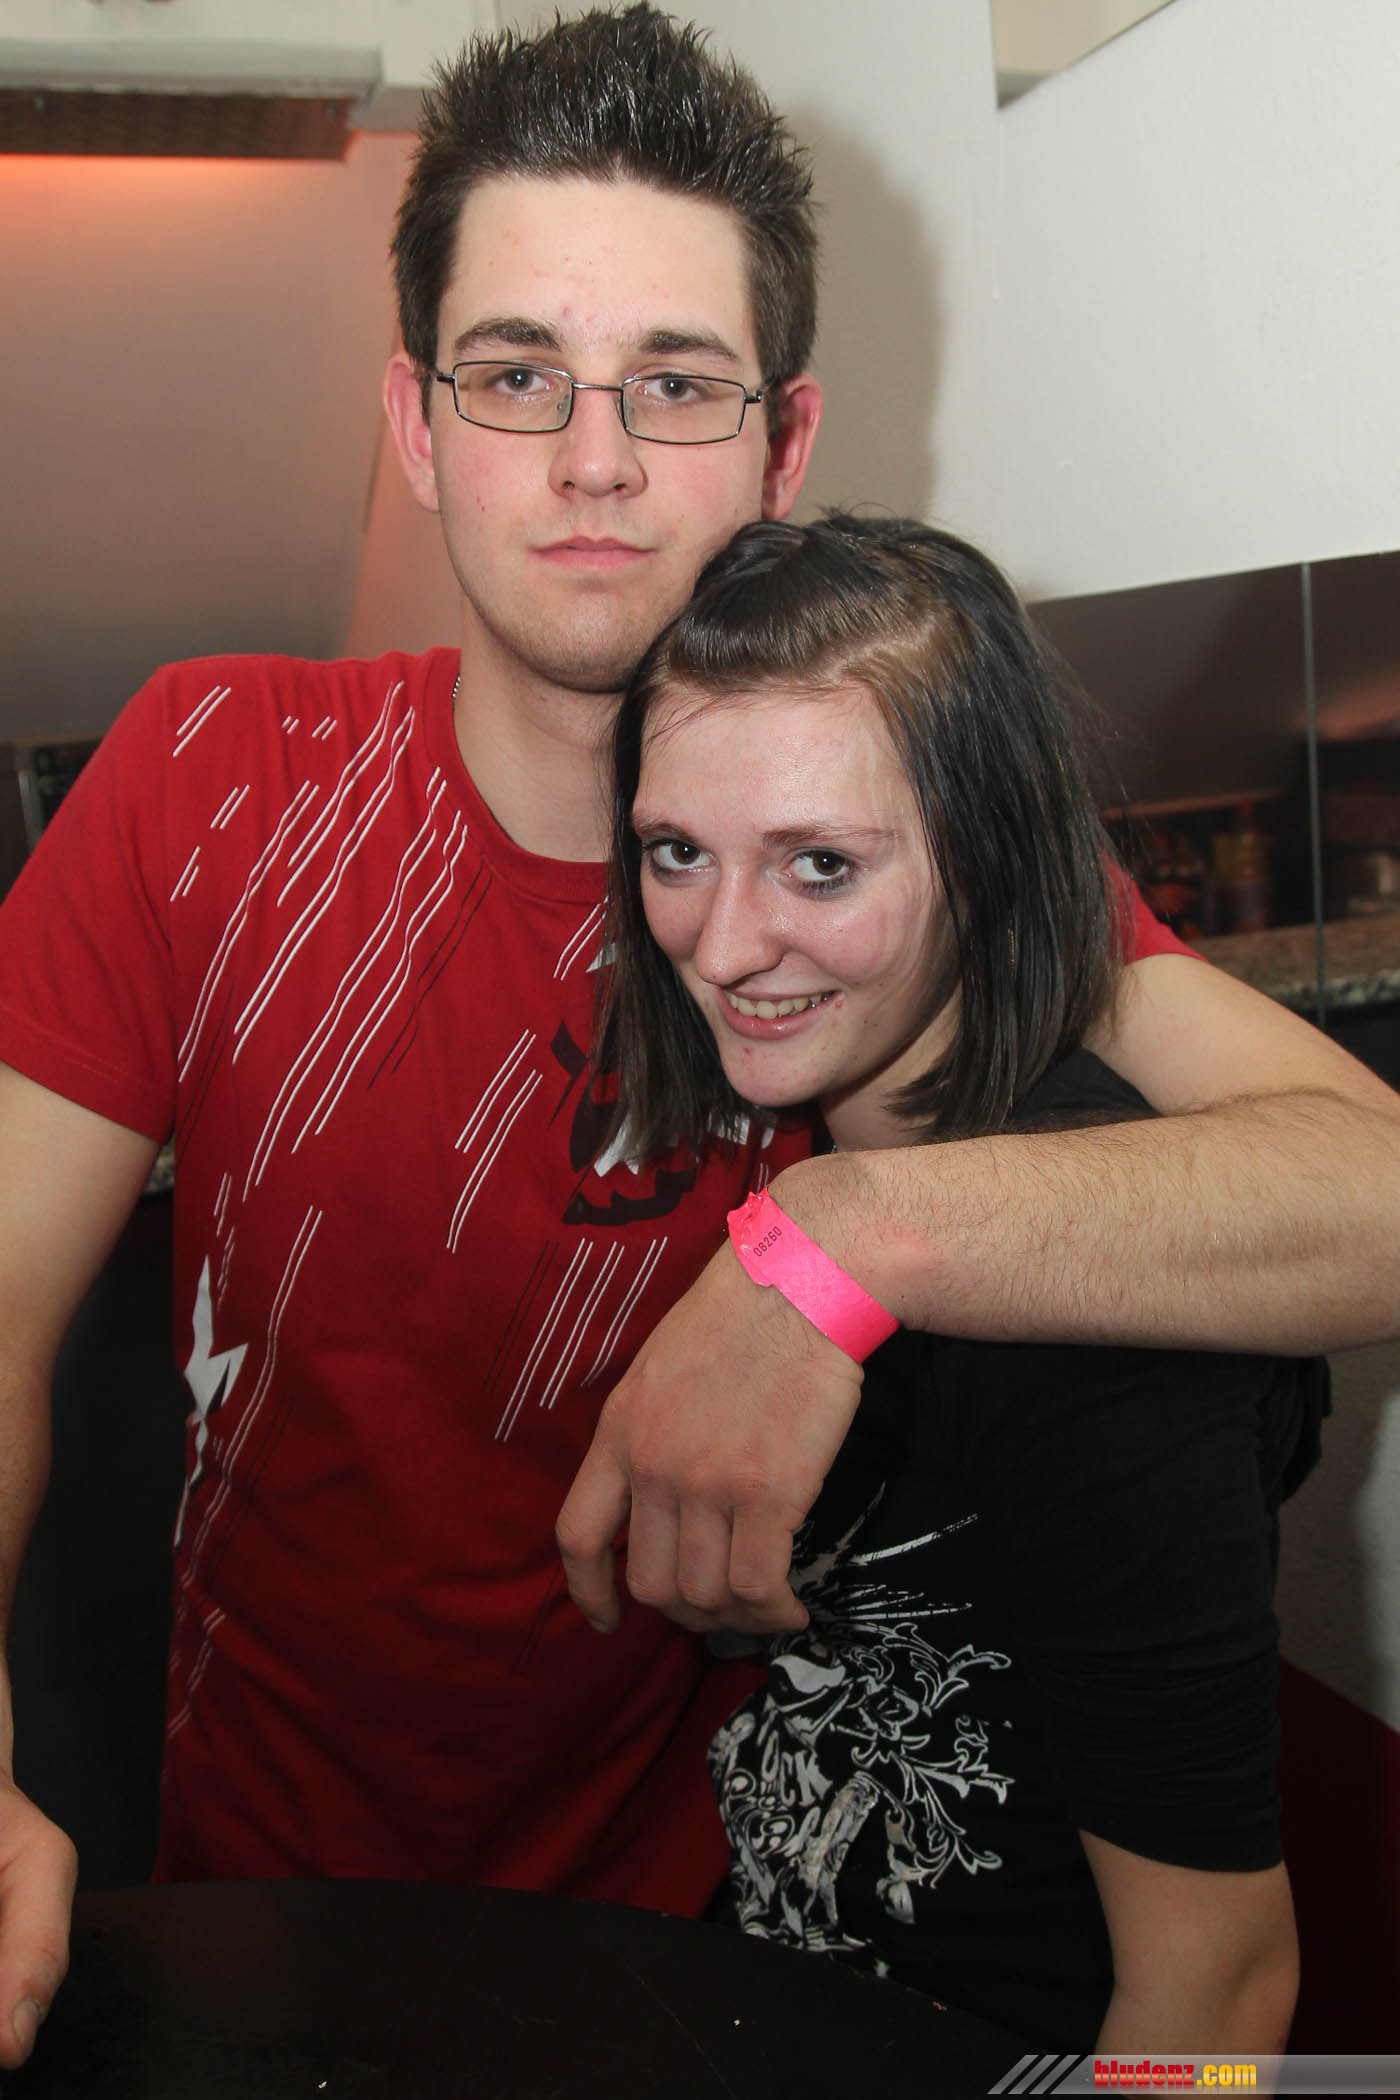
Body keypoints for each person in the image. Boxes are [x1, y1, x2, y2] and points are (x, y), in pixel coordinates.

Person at [0, 2, 1395, 2074]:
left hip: (722, 1971)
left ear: (783, 443)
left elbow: (1372, 1186)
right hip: (269, 1931)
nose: (593, 459)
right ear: (416, 425)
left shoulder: (883, 868)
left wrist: (830, 1247)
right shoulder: (213, 780)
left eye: (673, 383)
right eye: (515, 375)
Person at [600, 509, 1318, 2051]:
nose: (722, 948)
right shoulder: (821, 1140)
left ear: (988, 862)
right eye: (678, 854)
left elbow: (1223, 1993)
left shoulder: (1088, 1309)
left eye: (821, 865)